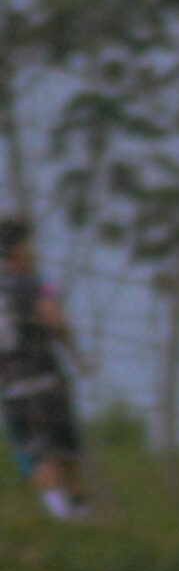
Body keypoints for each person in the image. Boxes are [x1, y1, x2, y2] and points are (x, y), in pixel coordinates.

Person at [0, 217, 92, 520]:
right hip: (45, 380)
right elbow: (54, 318)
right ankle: (78, 520)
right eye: (29, 244)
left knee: (38, 456)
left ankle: (60, 516)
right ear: (18, 249)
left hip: (13, 389)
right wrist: (76, 358)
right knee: (66, 457)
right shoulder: (35, 283)